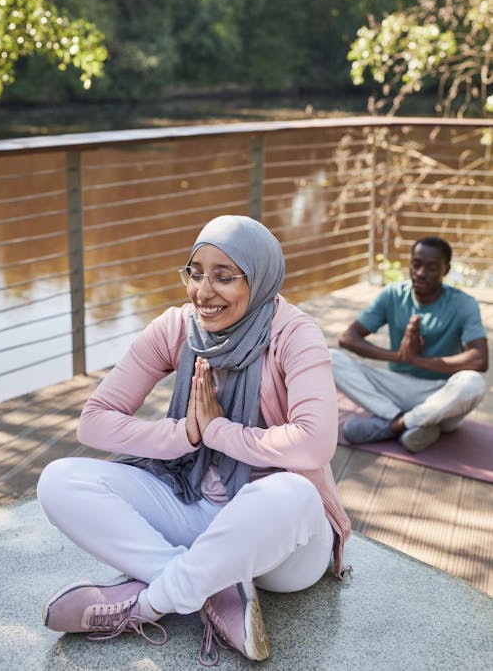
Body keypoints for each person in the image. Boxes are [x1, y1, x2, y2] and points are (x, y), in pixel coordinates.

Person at [37, 214, 351, 665]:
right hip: (193, 502)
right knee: (59, 480)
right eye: (195, 273)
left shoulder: (295, 335)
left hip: (282, 544)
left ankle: (149, 603)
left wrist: (219, 431)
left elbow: (313, 445)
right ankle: (213, 587)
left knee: (294, 491)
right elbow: (94, 422)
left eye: (224, 277)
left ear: (260, 278)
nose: (204, 292)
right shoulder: (176, 328)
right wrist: (184, 432)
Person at [330, 236, 488, 454]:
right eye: (416, 264)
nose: (421, 273)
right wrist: (398, 356)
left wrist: (417, 360)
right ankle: (413, 422)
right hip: (396, 388)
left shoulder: (464, 304)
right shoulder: (392, 295)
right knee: (329, 358)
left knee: (473, 383)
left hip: (442, 395)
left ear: (446, 269)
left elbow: (479, 359)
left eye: (431, 267)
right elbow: (348, 338)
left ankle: (394, 425)